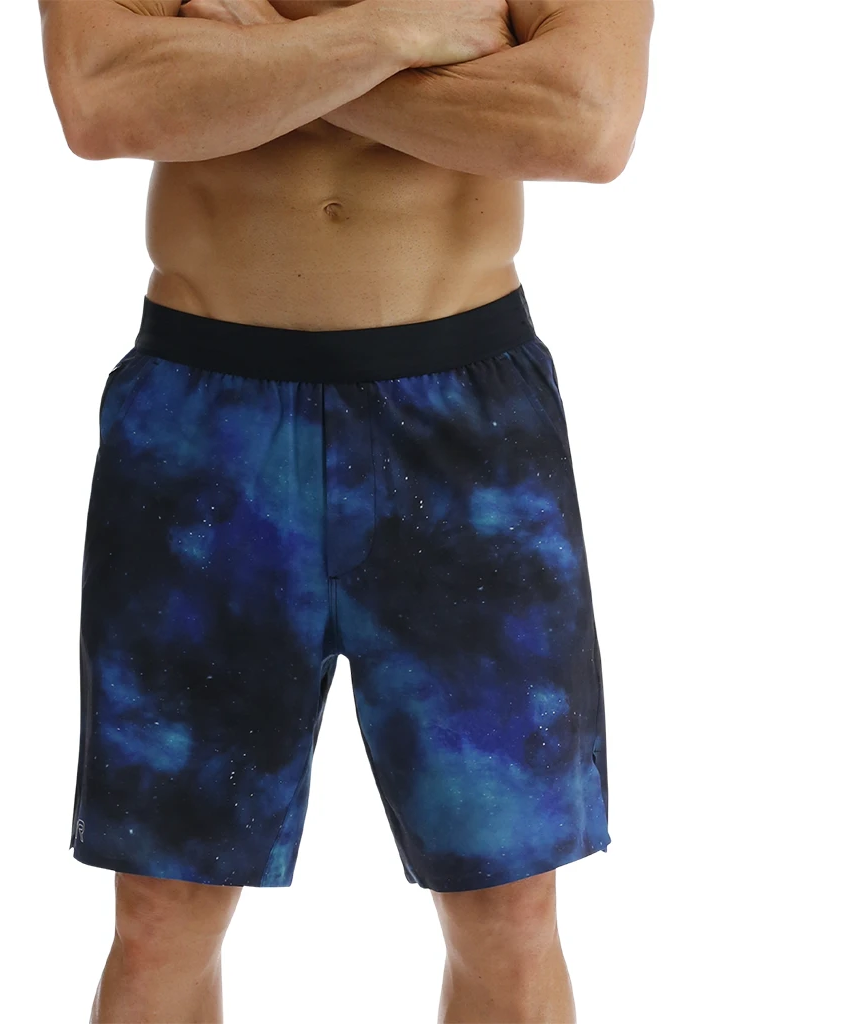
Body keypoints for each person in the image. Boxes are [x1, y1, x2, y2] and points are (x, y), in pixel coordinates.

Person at [38, 1, 653, 1020]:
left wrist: (254, 64)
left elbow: (587, 124)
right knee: (162, 913)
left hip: (466, 438)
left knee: (506, 910)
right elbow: (101, 102)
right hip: (203, 430)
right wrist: (395, 33)